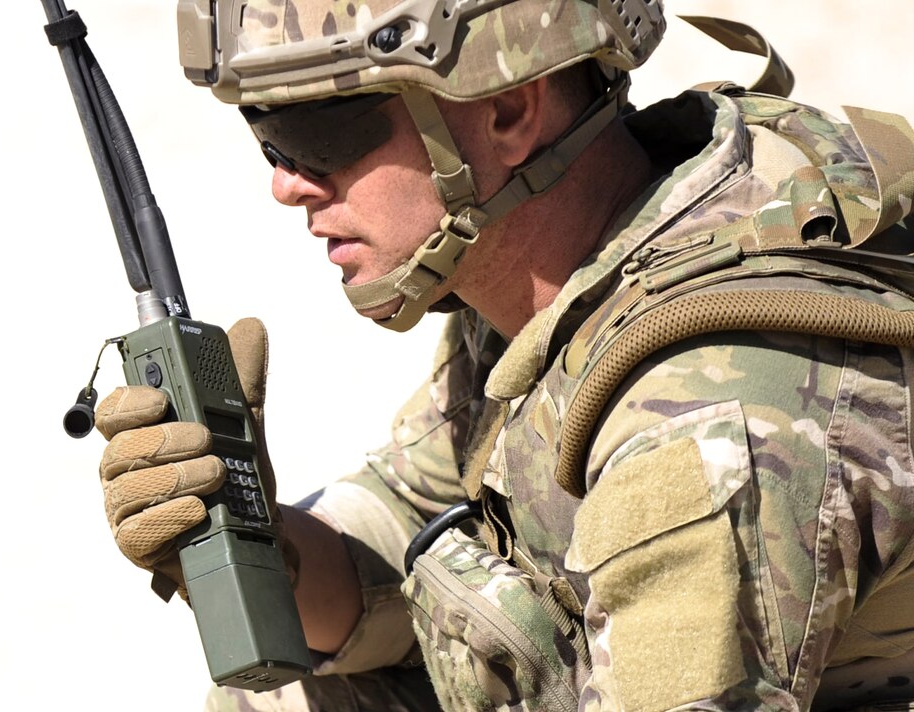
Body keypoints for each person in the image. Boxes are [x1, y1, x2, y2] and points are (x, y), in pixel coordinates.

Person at [93, 1, 914, 709]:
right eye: (268, 137)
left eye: (319, 133)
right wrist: (258, 541)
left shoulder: (700, 424)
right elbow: (414, 521)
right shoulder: (555, 269)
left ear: (510, 111)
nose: (288, 184)